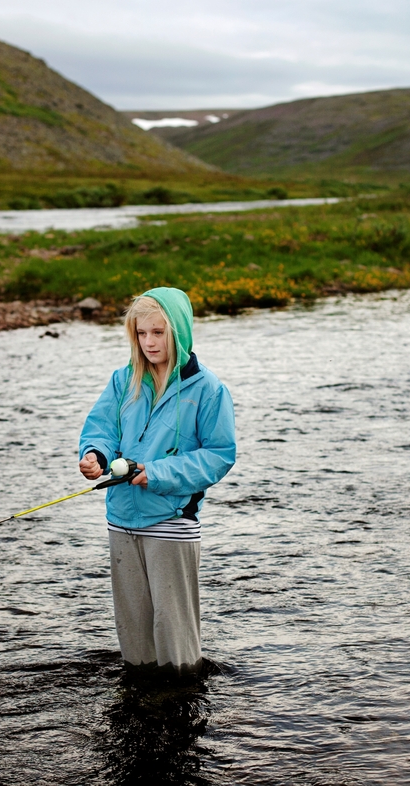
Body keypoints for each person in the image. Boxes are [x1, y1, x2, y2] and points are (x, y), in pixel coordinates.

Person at [78, 287, 236, 675]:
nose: (149, 342)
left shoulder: (208, 389)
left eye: (158, 333)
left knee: (174, 636)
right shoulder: (123, 380)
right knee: (134, 635)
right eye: (141, 334)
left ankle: (182, 704)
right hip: (120, 520)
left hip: (171, 522)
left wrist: (157, 474)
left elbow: (220, 455)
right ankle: (142, 698)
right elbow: (101, 427)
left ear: (178, 332)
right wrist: (94, 455)